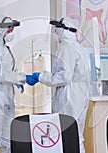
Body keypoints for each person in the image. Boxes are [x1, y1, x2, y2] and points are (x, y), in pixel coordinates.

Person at [28, 17, 92, 153]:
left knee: (66, 135)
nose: (56, 34)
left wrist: (41, 76)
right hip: (80, 97)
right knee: (77, 135)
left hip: (68, 98)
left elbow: (63, 76)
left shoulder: (66, 48)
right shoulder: (81, 49)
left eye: (57, 32)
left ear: (63, 31)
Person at [0, 15, 35, 153]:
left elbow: (6, 72)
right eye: (9, 30)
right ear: (0, 30)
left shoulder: (2, 47)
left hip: (6, 97)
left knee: (7, 139)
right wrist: (23, 77)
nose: (11, 33)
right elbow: (0, 75)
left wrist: (15, 81)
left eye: (12, 30)